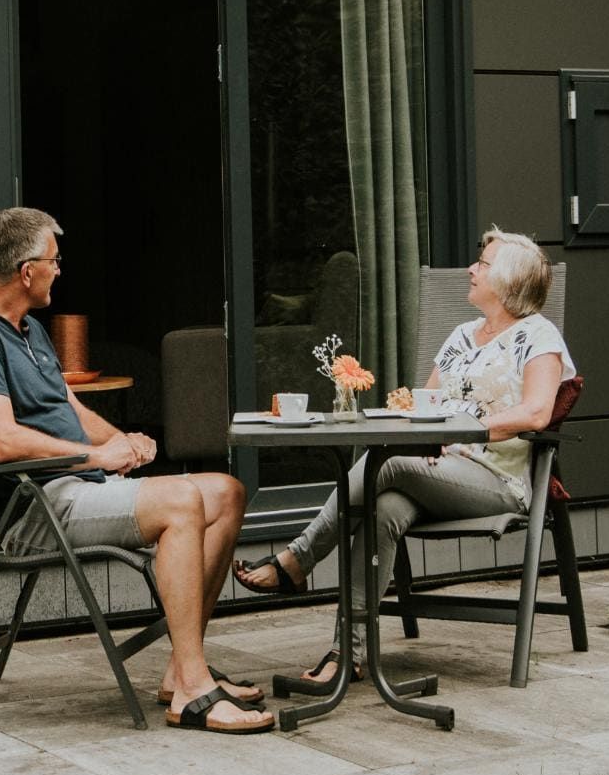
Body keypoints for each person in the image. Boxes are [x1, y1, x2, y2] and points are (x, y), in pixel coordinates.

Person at [0, 207, 274, 734]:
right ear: (27, 271)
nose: (59, 268)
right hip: (34, 508)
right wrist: (97, 457)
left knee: (226, 492)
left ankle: (179, 670)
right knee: (183, 503)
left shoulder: (27, 329)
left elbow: (69, 408)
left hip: (76, 486)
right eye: (54, 260)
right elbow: (2, 441)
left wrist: (120, 441)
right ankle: (192, 689)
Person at [234, 227, 577, 690]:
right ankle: (348, 654)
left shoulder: (539, 336)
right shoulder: (460, 335)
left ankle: (297, 561)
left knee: (387, 465)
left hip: (496, 479)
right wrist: (419, 429)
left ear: (511, 281)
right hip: (434, 472)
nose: (472, 269)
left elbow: (537, 413)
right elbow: (424, 404)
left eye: (483, 264)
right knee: (385, 509)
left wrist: (458, 433)